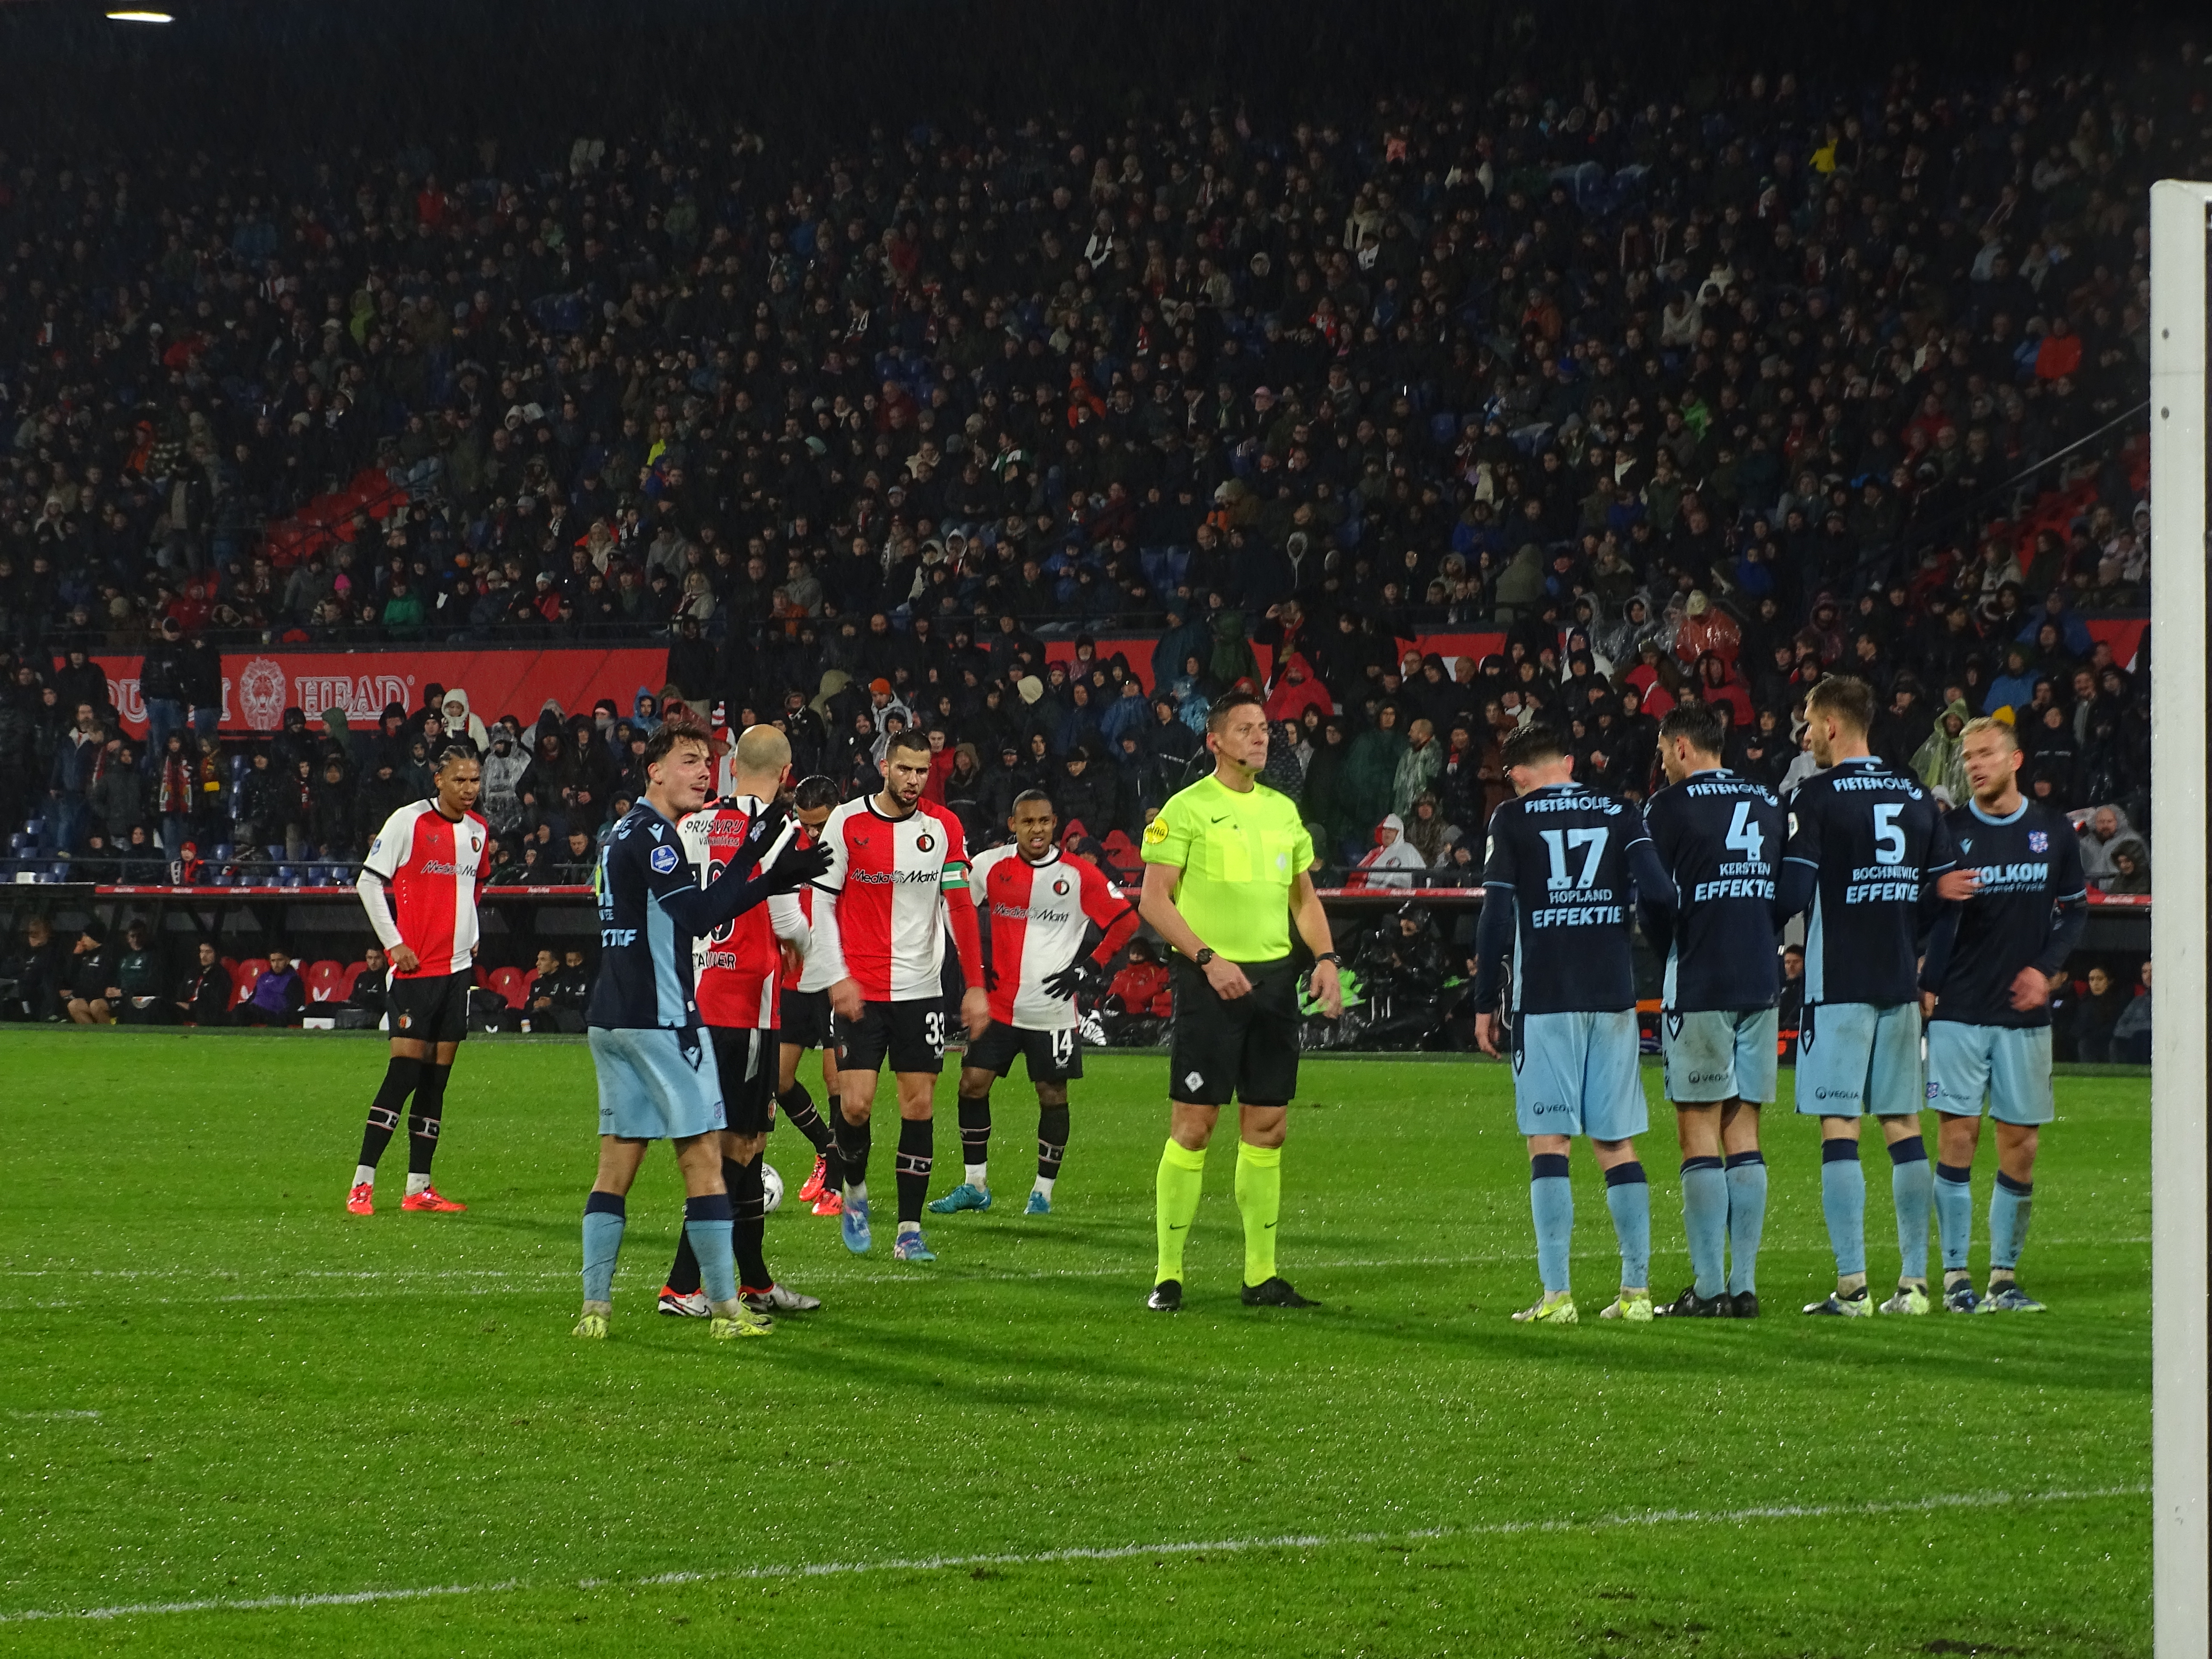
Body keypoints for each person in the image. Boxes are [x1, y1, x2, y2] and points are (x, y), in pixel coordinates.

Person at [572, 721, 829, 1342]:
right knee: (707, 1164)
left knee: (615, 1168)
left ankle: (595, 1310)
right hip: (662, 1019)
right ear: (653, 770)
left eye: (704, 764)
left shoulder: (620, 833)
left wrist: (756, 857)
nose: (700, 774)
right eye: (687, 762)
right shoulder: (658, 835)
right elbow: (698, 916)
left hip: (610, 1018)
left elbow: (687, 906)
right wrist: (768, 873)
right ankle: (722, 1311)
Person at [1138, 690, 1345, 1313]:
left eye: (1265, 729)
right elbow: (1154, 900)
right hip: (1209, 984)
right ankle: (1168, 1275)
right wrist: (1207, 959)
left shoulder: (1284, 812)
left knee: (1268, 1127)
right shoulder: (1187, 808)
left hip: (1275, 984)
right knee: (1195, 1126)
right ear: (1216, 741)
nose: (1261, 737)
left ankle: (1261, 1276)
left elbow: (1302, 898)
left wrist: (1328, 960)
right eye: (1248, 729)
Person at [1472, 722, 1679, 1324]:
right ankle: (1637, 1293)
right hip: (1613, 995)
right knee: (1616, 1142)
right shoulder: (1620, 810)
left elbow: (1495, 914)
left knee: (1549, 1142)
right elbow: (1662, 895)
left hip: (1548, 998)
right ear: (1567, 761)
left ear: (1515, 775)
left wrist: (1486, 998)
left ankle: (1558, 1296)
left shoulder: (1511, 819)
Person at [1778, 676, 1963, 1318]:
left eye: (1809, 723)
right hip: (1897, 984)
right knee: (1904, 1127)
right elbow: (1947, 894)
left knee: (1839, 1128)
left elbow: (1793, 893)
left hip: (1837, 988)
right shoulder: (1914, 793)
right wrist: (1921, 959)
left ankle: (1853, 1287)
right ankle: (1913, 1285)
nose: (1806, 736)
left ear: (1833, 725)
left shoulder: (1817, 795)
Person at [1919, 717, 2089, 1314]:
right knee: (1957, 1137)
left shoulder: (2052, 833)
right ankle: (1957, 1277)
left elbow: (2074, 912)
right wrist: (1935, 897)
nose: (1974, 765)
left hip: (2022, 1017)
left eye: (1986, 754)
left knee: (2021, 1145)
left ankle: (2004, 1278)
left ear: (2015, 761)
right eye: (1968, 758)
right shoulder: (1949, 833)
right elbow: (1918, 909)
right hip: (1959, 1009)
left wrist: (2045, 968)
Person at [655, 725, 824, 1324]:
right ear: (786, 774)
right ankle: (680, 1284)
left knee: (748, 1146)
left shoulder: (694, 821)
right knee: (732, 1149)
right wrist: (811, 947)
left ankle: (754, 1281)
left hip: (699, 998)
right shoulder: (777, 828)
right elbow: (784, 917)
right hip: (746, 1006)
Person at [814, 728, 990, 1261]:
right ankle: (855, 1191)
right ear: (885, 766)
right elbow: (820, 904)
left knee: (918, 1107)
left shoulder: (945, 826)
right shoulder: (846, 822)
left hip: (921, 991)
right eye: (905, 769)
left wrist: (977, 984)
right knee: (857, 1106)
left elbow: (960, 906)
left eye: (923, 771)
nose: (914, 780)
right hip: (860, 991)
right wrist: (835, 975)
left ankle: (909, 1230)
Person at [1641, 703, 1786, 1318]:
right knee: (1744, 1127)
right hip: (1760, 976)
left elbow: (1653, 895)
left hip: (1700, 976)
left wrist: (1667, 941)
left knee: (1697, 1127)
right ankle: (1745, 1285)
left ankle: (1706, 1289)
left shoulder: (1666, 808)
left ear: (1679, 747)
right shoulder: (1769, 800)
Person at [931, 789, 1138, 1218]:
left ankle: (1042, 1192)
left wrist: (1088, 969)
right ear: (1013, 826)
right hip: (999, 1006)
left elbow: (1126, 921)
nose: (1037, 830)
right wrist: (975, 967)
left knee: (1052, 1094)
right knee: (971, 1084)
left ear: (1055, 823)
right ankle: (975, 1185)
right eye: (1028, 822)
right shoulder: (990, 866)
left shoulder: (1079, 874)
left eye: (1044, 821)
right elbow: (956, 908)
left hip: (1053, 1010)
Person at [346, 744, 490, 1217]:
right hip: (414, 973)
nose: (469, 790)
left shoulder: (478, 832)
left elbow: (475, 885)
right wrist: (393, 945)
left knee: (436, 1082)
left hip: (456, 973)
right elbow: (368, 882)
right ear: (439, 781)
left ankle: (419, 1188)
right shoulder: (408, 821)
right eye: (460, 781)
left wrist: (472, 932)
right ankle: (362, 1184)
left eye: (475, 781)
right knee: (403, 1074)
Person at [774, 775, 849, 1217]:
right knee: (778, 1080)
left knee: (837, 1081)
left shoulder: (853, 842)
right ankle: (826, 1149)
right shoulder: (788, 843)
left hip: (836, 974)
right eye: (807, 824)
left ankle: (837, 1187)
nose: (814, 833)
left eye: (819, 824)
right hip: (794, 978)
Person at [236, 947, 308, 1027]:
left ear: (288, 961)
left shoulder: (293, 979)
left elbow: (295, 1004)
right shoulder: (264, 977)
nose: (276, 965)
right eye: (273, 961)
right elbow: (254, 996)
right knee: (239, 1009)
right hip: (255, 1011)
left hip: (272, 1014)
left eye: (280, 960)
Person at [63, 924, 119, 1025]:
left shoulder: (109, 954)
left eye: (85, 936)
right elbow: (71, 978)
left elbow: (105, 980)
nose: (82, 940)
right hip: (89, 997)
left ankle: (108, 1035)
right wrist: (76, 956)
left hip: (107, 999)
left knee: (95, 1005)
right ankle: (91, 1035)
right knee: (74, 1005)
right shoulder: (85, 956)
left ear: (94, 938)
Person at [175, 939, 231, 1027]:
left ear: (217, 954)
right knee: (158, 1005)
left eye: (208, 952)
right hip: (183, 1010)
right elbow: (180, 995)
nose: (203, 956)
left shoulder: (221, 976)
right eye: (202, 952)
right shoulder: (192, 973)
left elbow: (217, 1002)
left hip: (203, 1013)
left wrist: (191, 1007)